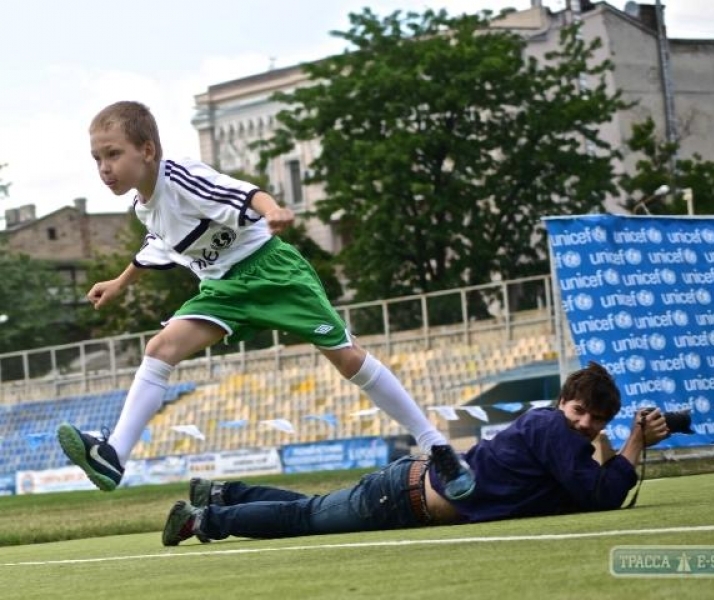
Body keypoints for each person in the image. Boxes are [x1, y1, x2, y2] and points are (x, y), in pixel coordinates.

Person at [56, 100, 473, 500]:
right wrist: (120, 281)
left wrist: (273, 208)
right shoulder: (144, 208)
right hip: (224, 289)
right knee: (160, 348)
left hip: (272, 271)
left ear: (146, 150)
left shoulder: (180, 176)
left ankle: (437, 448)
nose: (104, 168)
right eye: (97, 159)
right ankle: (114, 457)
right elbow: (160, 243)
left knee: (348, 359)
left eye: (112, 154)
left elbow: (241, 192)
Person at [162, 361, 671, 545]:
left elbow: (586, 484)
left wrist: (607, 444)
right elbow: (599, 496)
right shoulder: (555, 428)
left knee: (310, 507)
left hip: (410, 488)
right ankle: (204, 520)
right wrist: (630, 442)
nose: (583, 423)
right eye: (580, 410)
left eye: (595, 419)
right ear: (564, 401)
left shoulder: (549, 425)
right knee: (304, 516)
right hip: (406, 498)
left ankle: (223, 492)